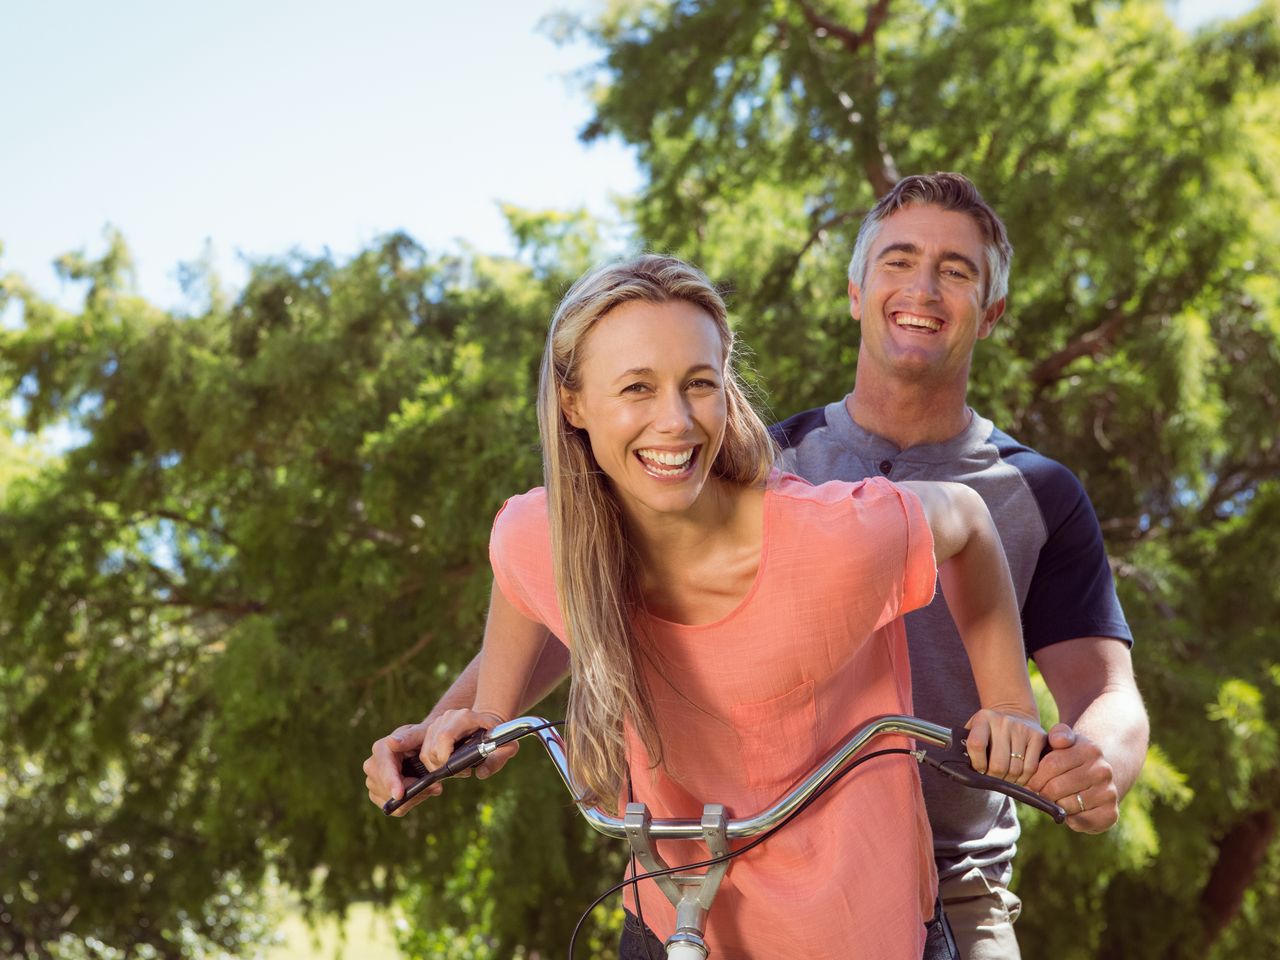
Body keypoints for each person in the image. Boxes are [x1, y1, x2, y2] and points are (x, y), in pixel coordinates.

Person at [364, 254, 1047, 959]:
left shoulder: (834, 543)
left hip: (860, 928)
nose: (675, 421)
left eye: (699, 385)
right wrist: (462, 725)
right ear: (574, 404)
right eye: (636, 387)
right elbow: (528, 593)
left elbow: (965, 518)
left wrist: (1010, 705)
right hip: (674, 920)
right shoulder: (541, 534)